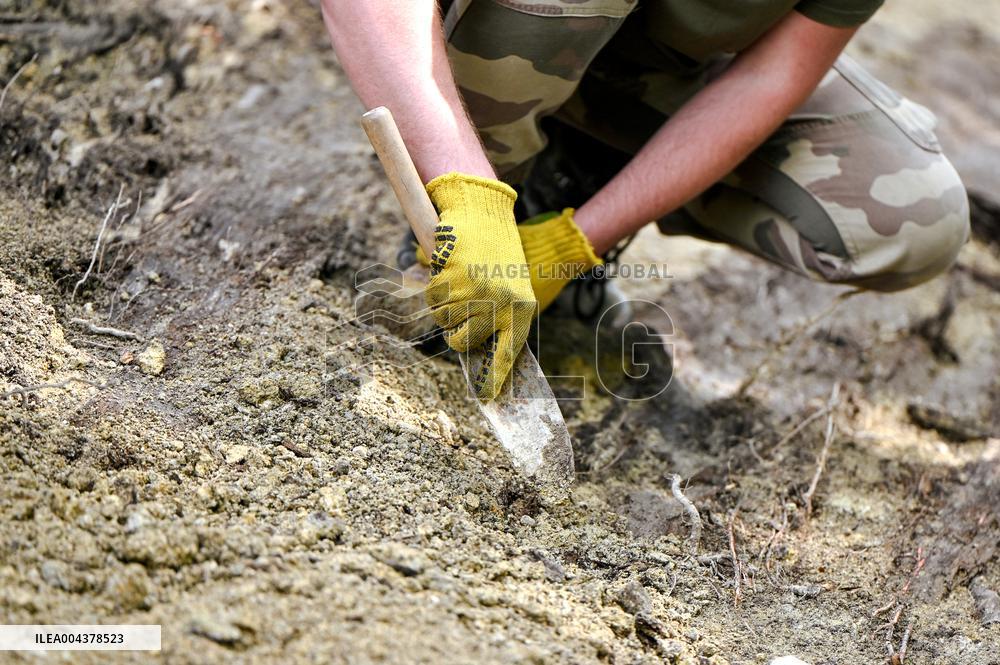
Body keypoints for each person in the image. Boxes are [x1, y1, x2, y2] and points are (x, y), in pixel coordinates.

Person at [321, 0, 970, 400]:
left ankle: (568, 184)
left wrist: (576, 240)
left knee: (916, 215)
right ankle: (489, 195)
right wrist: (466, 189)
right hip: (497, 40)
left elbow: (774, 73)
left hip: (663, 74)